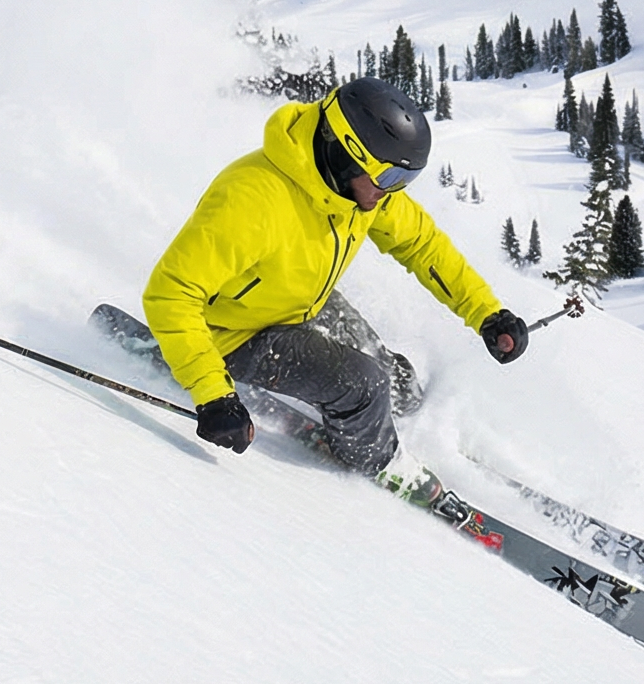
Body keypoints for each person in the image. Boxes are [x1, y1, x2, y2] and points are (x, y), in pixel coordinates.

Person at [142, 76, 531, 475]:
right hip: (233, 334)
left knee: (395, 377)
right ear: (348, 155)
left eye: (405, 181)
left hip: (294, 304)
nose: (393, 192)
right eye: (391, 178)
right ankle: (383, 464)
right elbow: (170, 293)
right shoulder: (252, 198)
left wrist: (487, 313)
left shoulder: (361, 192)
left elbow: (423, 245)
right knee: (366, 385)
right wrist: (213, 394)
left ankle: (399, 419)